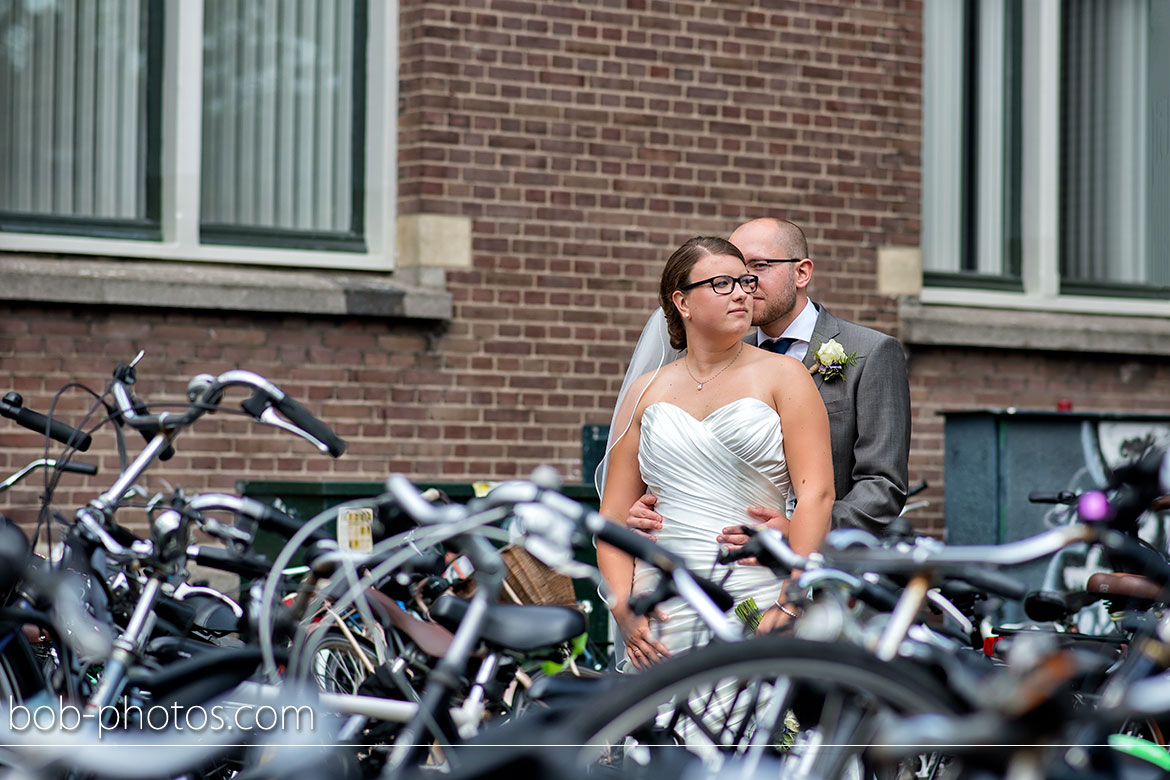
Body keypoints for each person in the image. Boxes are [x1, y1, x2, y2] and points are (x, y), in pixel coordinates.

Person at [596, 236, 833, 670]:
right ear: (682, 302)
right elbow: (611, 520)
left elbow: (817, 495)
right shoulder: (645, 391)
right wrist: (625, 610)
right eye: (723, 283)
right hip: (664, 607)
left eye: (745, 281)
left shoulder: (786, 375)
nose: (744, 291)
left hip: (756, 591)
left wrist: (791, 602)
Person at [623, 218, 911, 551]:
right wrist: (650, 507)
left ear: (801, 273)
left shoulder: (871, 351)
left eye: (759, 266)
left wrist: (805, 531)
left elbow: (883, 484)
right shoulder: (722, 354)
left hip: (827, 569)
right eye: (735, 273)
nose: (744, 285)